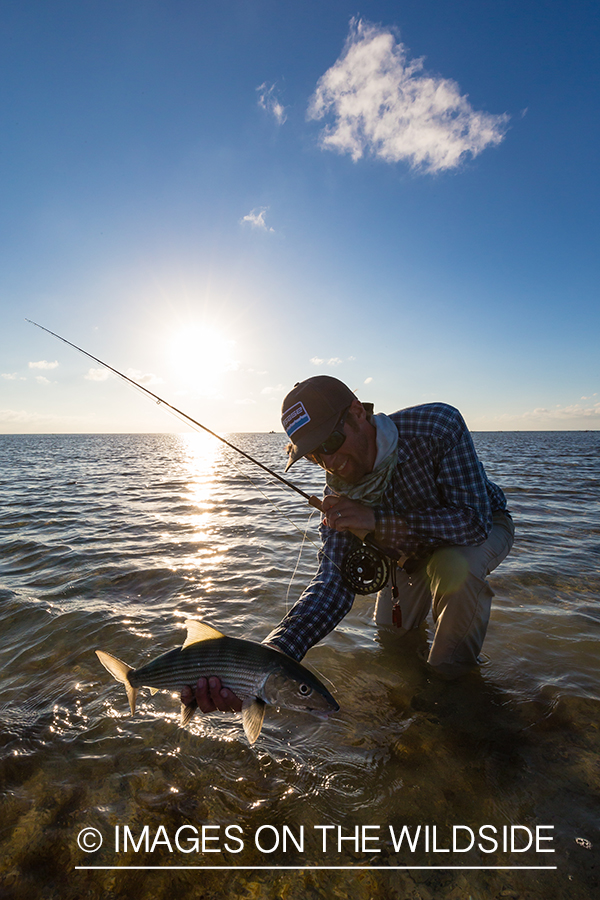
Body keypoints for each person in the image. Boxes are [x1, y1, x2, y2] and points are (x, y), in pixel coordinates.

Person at [181, 375, 514, 714]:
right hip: (406, 555)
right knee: (393, 642)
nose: (327, 461)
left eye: (331, 441)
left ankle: (450, 696)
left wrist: (377, 521)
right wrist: (272, 658)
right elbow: (332, 585)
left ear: (358, 412)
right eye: (313, 454)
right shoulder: (337, 499)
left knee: (456, 566)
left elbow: (473, 522)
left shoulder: (436, 425)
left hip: (481, 527)